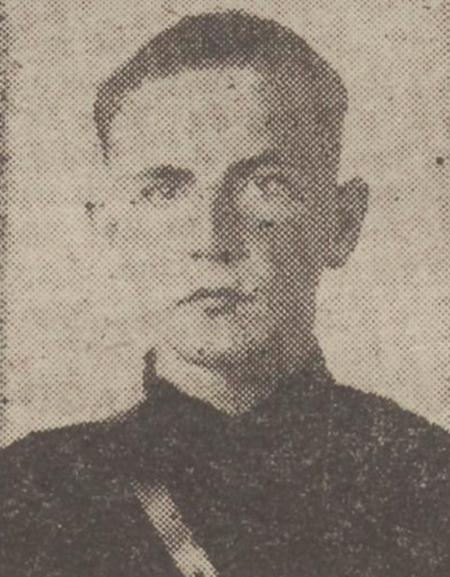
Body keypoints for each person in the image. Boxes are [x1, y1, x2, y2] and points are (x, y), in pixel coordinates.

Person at [1, 10, 449, 577]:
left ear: (341, 223)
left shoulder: (427, 481)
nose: (211, 240)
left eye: (266, 185)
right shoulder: (29, 497)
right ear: (110, 227)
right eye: (164, 190)